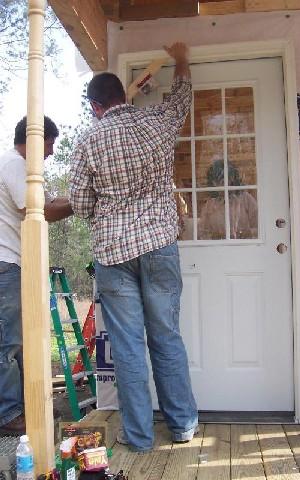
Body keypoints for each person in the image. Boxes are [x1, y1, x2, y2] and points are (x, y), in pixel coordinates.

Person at [69, 42, 198, 453]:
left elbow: (81, 204)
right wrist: (181, 60)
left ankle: (139, 437)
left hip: (113, 254)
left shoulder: (88, 141)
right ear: (125, 96)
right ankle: (182, 427)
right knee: (167, 336)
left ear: (94, 106)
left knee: (127, 347)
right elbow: (180, 99)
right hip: (160, 246)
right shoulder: (156, 122)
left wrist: (109, 210)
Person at [0, 116, 73, 436]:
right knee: (9, 343)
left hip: (17, 265)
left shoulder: (15, 166)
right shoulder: (14, 165)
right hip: (7, 265)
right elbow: (40, 208)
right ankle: (8, 413)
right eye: (49, 144)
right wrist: (81, 201)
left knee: (25, 339)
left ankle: (28, 404)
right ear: (32, 140)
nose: (52, 152)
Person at [198, 159, 258, 240]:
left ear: (232, 179)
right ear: (213, 183)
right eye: (218, 180)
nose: (223, 183)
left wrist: (247, 233)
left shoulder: (246, 199)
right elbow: (201, 234)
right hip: (219, 250)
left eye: (226, 179)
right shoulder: (210, 205)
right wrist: (215, 237)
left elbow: (260, 228)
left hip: (245, 247)